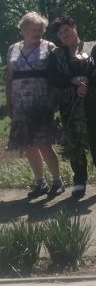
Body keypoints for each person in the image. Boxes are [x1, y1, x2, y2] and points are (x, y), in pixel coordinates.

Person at [48, 14, 96, 198]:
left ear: (74, 27)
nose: (64, 35)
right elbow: (53, 77)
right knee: (74, 142)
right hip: (68, 105)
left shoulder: (92, 47)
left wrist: (86, 83)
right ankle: (79, 181)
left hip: (92, 102)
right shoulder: (56, 54)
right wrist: (72, 80)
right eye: (60, 33)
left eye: (66, 30)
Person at [5, 12, 64, 198]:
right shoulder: (13, 49)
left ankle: (57, 181)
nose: (38, 33)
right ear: (23, 29)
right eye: (33, 29)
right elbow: (9, 77)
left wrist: (54, 99)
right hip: (20, 104)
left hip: (41, 103)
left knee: (44, 143)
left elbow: (58, 75)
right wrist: (9, 102)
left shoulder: (49, 47)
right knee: (28, 144)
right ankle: (40, 182)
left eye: (40, 29)